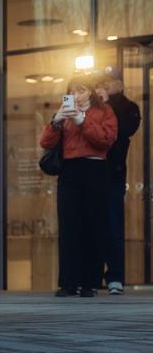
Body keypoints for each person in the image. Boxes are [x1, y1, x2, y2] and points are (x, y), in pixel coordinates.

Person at [41, 75, 116, 298]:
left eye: (81, 90)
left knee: (93, 226)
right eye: (73, 91)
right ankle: (68, 282)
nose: (76, 95)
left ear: (91, 92)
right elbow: (45, 142)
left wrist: (82, 121)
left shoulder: (104, 112)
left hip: (95, 169)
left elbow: (106, 139)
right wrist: (56, 121)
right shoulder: (65, 112)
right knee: (69, 226)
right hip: (70, 171)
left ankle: (90, 283)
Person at [96, 73, 140, 295]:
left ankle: (115, 277)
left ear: (120, 85)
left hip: (114, 175)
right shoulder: (95, 106)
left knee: (114, 227)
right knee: (92, 226)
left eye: (108, 82)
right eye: (101, 83)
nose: (103, 86)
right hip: (92, 174)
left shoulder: (129, 107)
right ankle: (91, 276)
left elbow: (123, 130)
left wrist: (108, 103)